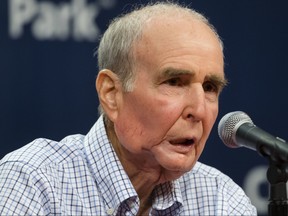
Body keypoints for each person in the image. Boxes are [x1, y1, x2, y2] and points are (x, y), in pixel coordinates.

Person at [0, 2, 257, 215]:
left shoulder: (221, 199)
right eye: (174, 82)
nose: (199, 110)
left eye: (210, 87)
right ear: (111, 94)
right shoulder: (32, 184)